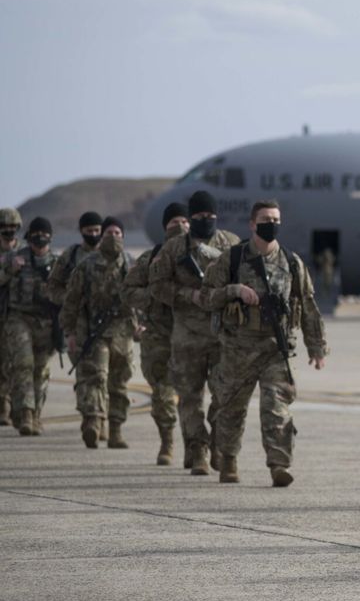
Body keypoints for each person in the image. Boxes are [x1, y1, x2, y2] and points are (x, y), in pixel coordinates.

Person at [203, 200, 327, 487]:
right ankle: (229, 460)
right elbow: (207, 296)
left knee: (276, 408)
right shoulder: (232, 259)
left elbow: (308, 306)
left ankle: (279, 464)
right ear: (252, 224)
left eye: (276, 219)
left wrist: (316, 347)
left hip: (275, 347)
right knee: (231, 409)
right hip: (238, 347)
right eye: (265, 219)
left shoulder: (291, 262)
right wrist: (234, 290)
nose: (271, 224)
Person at [149, 190, 240, 475]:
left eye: (210, 215)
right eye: (200, 216)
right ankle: (197, 448)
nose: (206, 220)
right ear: (191, 217)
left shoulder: (230, 244)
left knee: (224, 395)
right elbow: (157, 285)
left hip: (222, 334)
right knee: (189, 398)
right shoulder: (174, 249)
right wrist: (189, 295)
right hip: (187, 336)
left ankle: (215, 440)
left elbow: (243, 278)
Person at [61, 216, 135, 449]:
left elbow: (142, 297)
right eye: (109, 233)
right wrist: (70, 332)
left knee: (119, 382)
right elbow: (71, 300)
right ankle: (93, 422)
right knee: (96, 376)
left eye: (117, 233)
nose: (113, 237)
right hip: (95, 331)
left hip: (123, 333)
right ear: (102, 236)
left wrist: (141, 323)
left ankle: (116, 429)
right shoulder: (87, 265)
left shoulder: (130, 265)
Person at [124, 202, 189, 464]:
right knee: (163, 392)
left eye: (185, 222)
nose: (181, 226)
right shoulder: (150, 258)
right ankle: (167, 442)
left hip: (193, 336)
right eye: (174, 223)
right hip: (159, 336)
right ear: (165, 228)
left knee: (193, 396)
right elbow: (127, 291)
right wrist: (154, 297)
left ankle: (197, 448)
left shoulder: (203, 256)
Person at [0, 218, 60, 436]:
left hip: (46, 323)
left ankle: (35, 416)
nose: (40, 237)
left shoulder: (57, 263)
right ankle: (25, 413)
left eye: (44, 233)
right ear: (28, 236)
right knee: (23, 364)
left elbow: (68, 294)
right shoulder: (14, 258)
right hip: (19, 319)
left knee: (41, 371)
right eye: (36, 233)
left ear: (50, 237)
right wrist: (10, 271)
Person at [44, 211, 104, 312]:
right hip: (76, 317)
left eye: (97, 230)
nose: (93, 234)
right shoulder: (70, 255)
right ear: (81, 231)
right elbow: (52, 285)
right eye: (89, 231)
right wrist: (68, 299)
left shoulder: (110, 254)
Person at [0, 206, 22, 427]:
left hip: (17, 315)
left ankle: (15, 408)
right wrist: (9, 271)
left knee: (15, 363)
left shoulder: (24, 251)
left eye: (12, 227)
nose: (9, 231)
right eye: (4, 227)